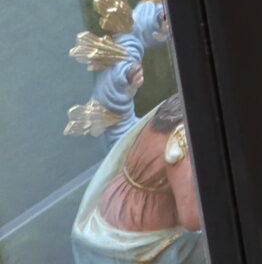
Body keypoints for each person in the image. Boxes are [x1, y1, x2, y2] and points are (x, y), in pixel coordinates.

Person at [72, 94, 204, 263]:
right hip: (142, 239)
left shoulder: (178, 106)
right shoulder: (183, 136)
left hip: (119, 208)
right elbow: (192, 219)